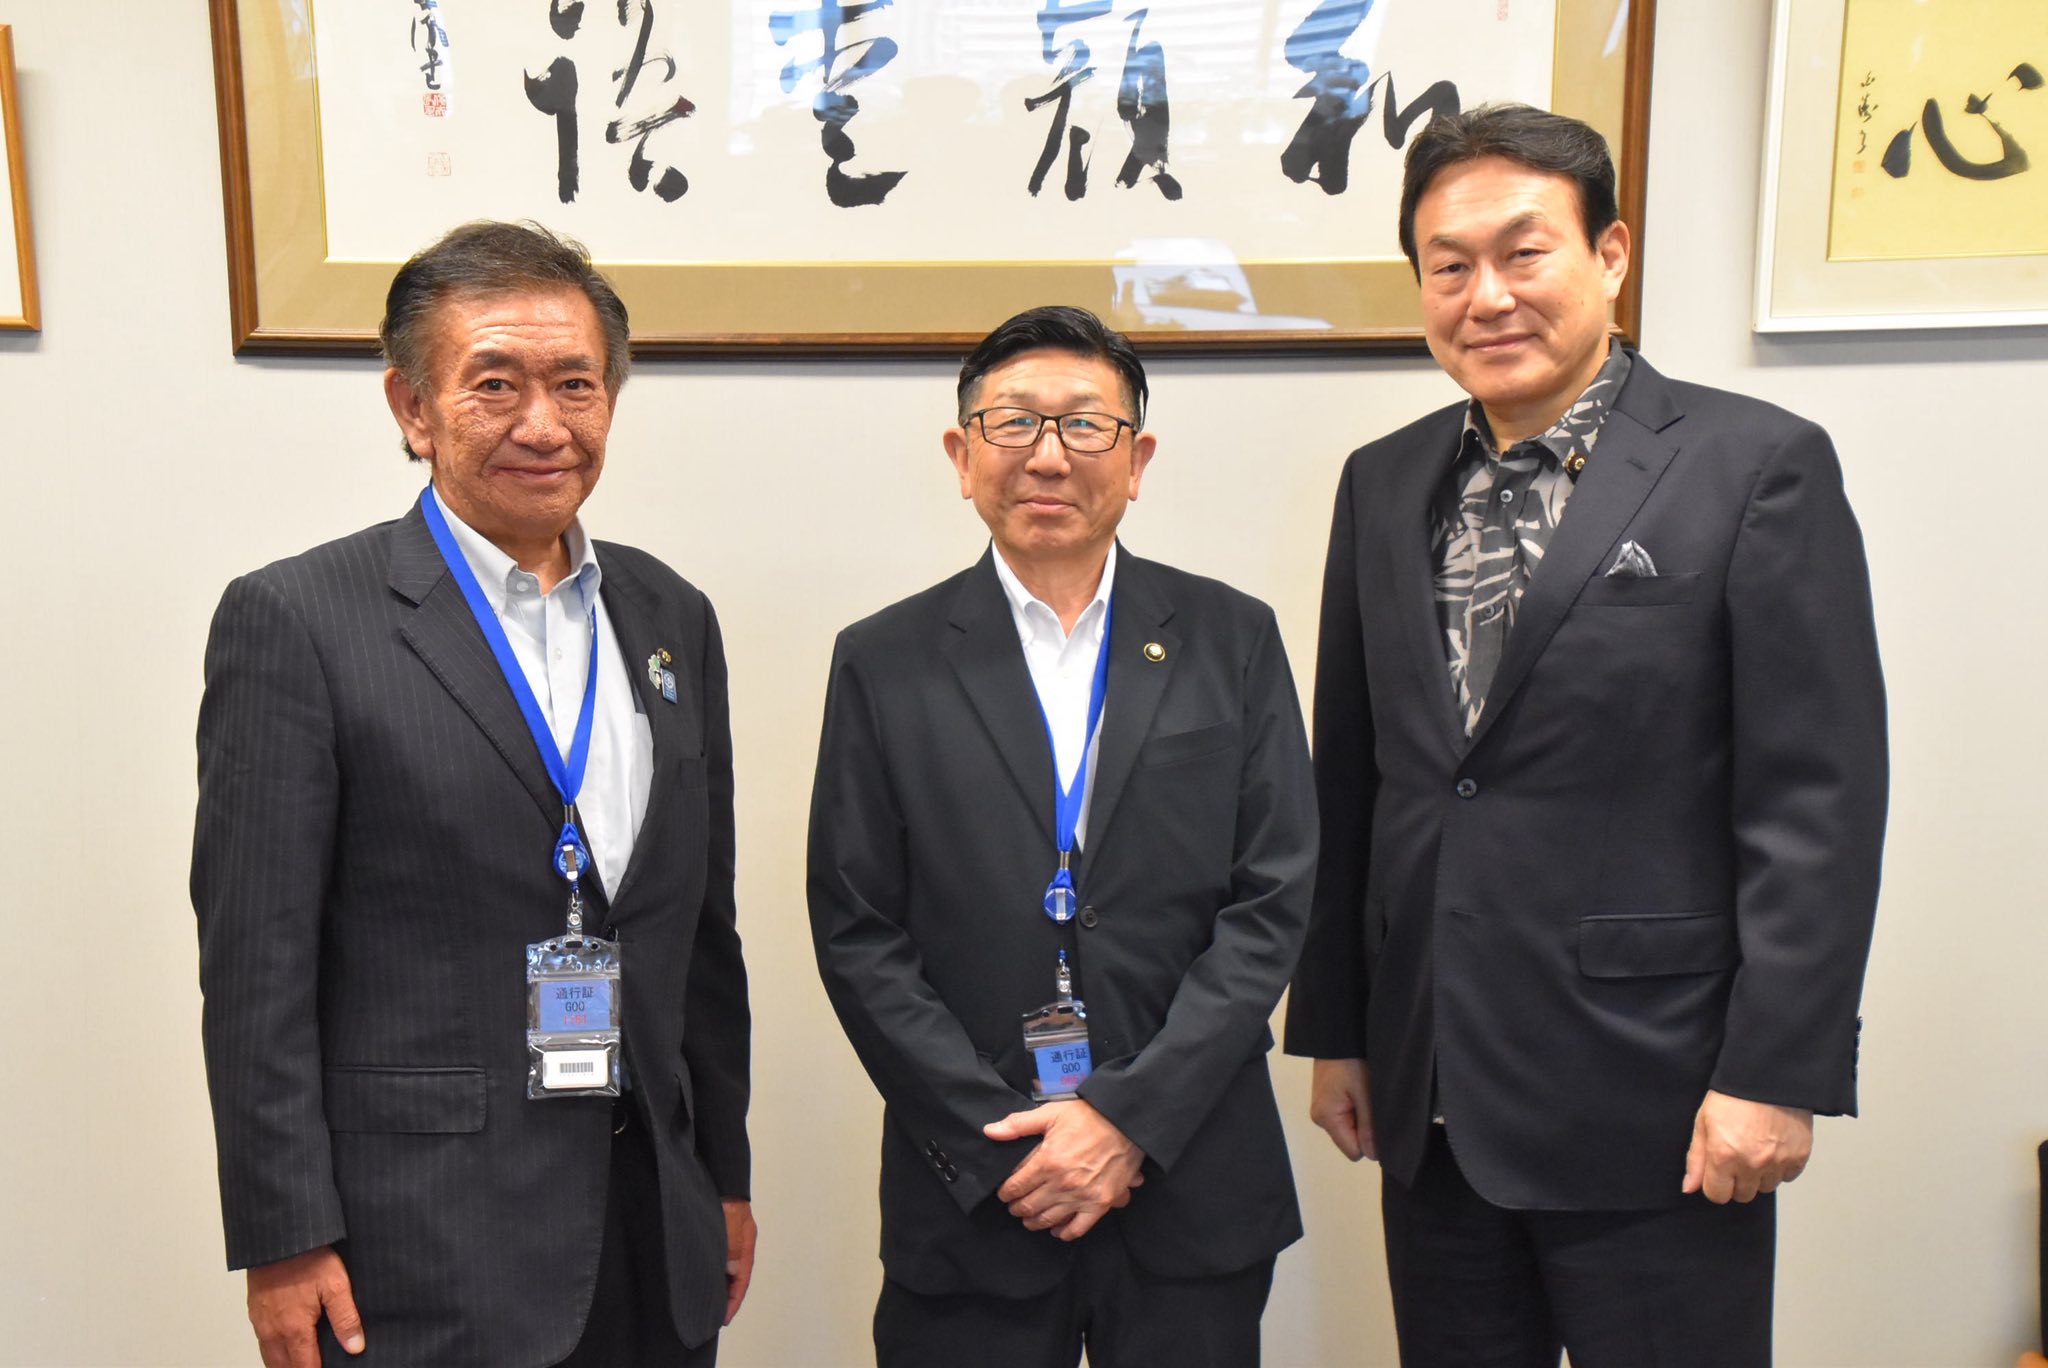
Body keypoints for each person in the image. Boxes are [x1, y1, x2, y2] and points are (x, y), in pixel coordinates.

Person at [1284, 104, 1888, 1367]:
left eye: (1523, 253)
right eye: (1448, 267)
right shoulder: (1381, 481)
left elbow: (1813, 803)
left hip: (1659, 1096)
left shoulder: (1753, 466)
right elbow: (1354, 776)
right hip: (1432, 1086)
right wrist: (1337, 1025)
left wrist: (1774, 1070)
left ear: (1608, 254)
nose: (1485, 297)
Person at [191, 221, 754, 1368]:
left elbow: (701, 933)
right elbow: (255, 966)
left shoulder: (670, 616)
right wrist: (284, 1236)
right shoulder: (299, 619)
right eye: (495, 384)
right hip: (424, 1246)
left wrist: (723, 1178)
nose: (543, 424)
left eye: (576, 385)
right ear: (412, 407)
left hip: (656, 1227)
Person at [807, 305, 1317, 1367]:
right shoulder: (884, 660)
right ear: (962, 457)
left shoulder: (1231, 637)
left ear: (1137, 460)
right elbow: (857, 929)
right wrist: (998, 1143)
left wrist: (1129, 1120)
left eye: (1085, 424)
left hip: (1190, 1180)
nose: (1047, 455)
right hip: (978, 1192)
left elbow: (1272, 901)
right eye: (1012, 423)